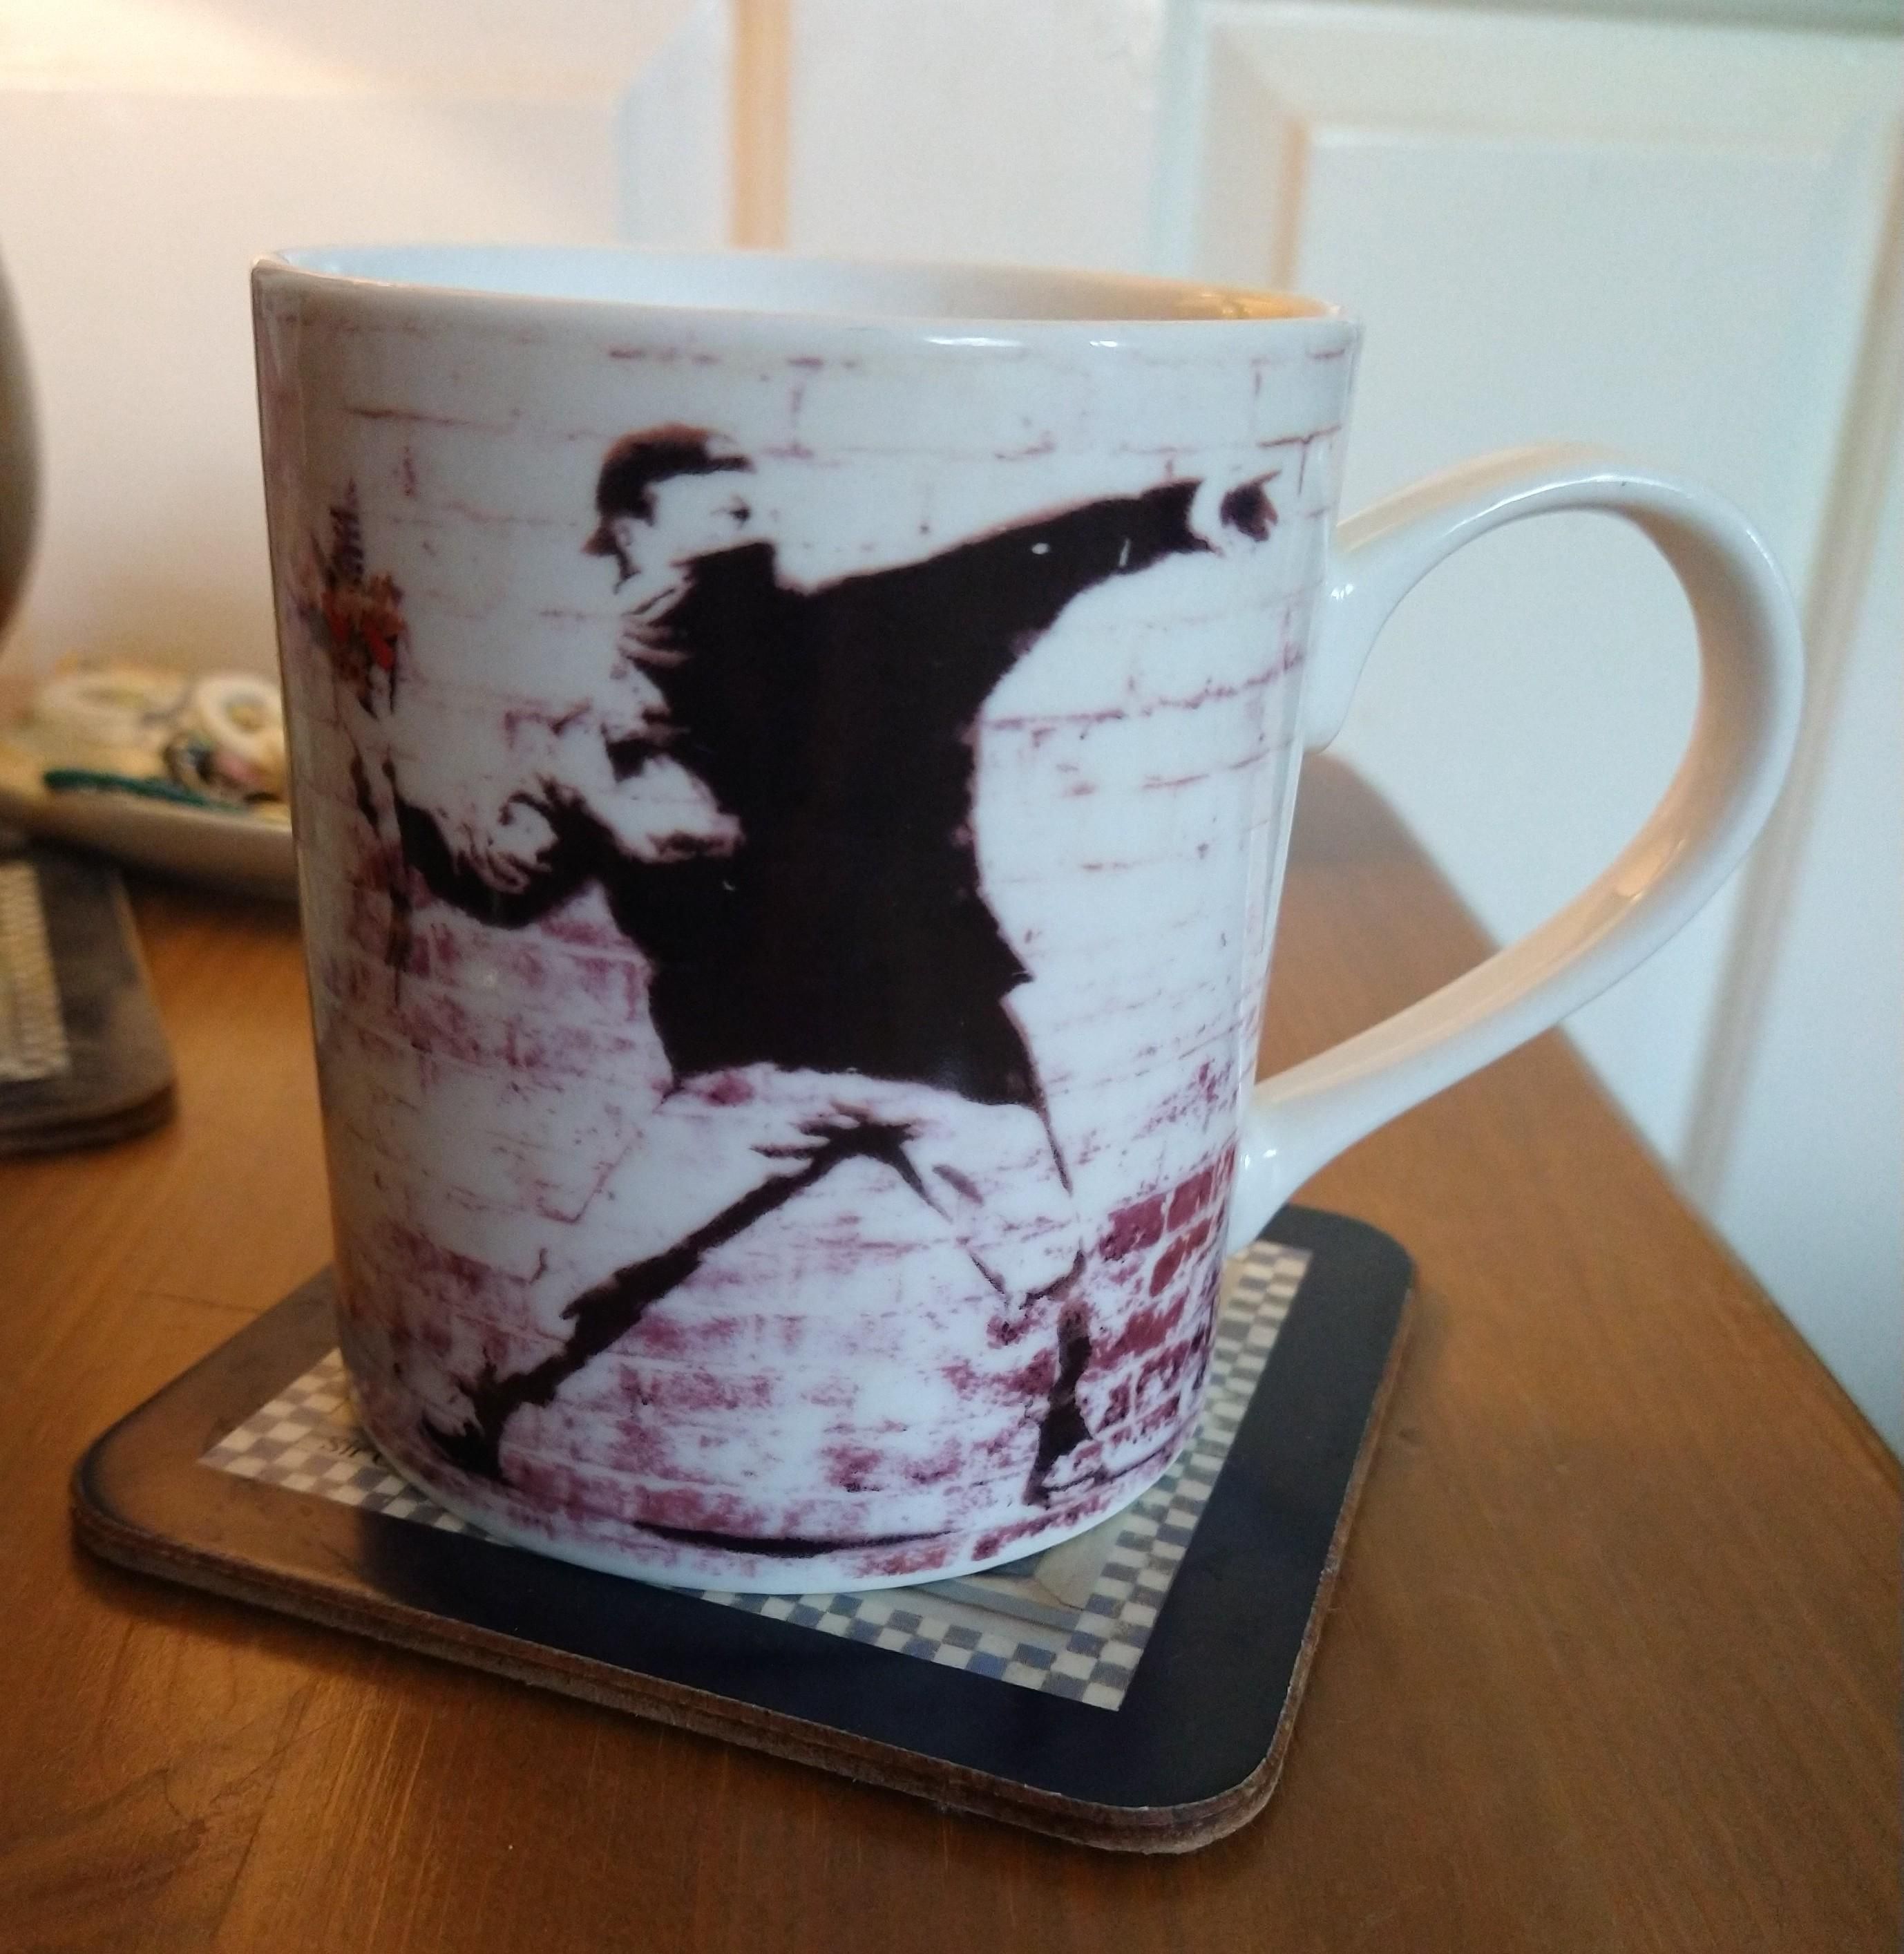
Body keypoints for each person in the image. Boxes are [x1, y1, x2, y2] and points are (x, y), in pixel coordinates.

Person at [376, 426, 1279, 1495]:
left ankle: (1084, 1442)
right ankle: (465, 1417)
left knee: (1051, 1268)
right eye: (708, 528)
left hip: (936, 1053)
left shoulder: (865, 632)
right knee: (597, 1272)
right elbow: (501, 885)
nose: (732, 554)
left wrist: (1178, 514)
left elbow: (1015, 567)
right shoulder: (596, 740)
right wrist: (401, 788)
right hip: (779, 1066)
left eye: (744, 525)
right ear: (625, 545)